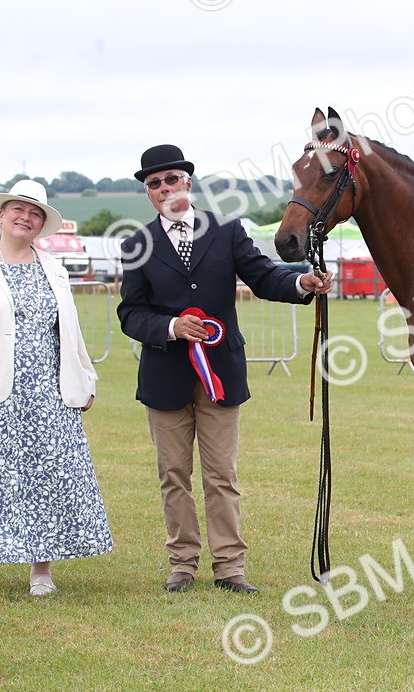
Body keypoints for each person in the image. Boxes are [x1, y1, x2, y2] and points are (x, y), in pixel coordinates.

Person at [117, 145, 333, 595]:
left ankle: (230, 567)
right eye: (154, 184)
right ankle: (182, 564)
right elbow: (130, 313)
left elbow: (263, 276)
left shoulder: (226, 231)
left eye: (171, 179)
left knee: (221, 475)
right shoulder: (137, 245)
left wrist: (299, 281)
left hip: (222, 376)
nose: (164, 188)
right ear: (148, 192)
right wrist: (172, 326)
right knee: (173, 476)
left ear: (188, 183)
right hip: (165, 378)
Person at [0, 179, 113, 597]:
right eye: (18, 209)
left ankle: (41, 572)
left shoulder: (53, 268)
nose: (25, 217)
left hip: (48, 394)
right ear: (0, 216)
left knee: (46, 478)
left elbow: (68, 331)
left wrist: (84, 379)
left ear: (41, 224)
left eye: (34, 213)